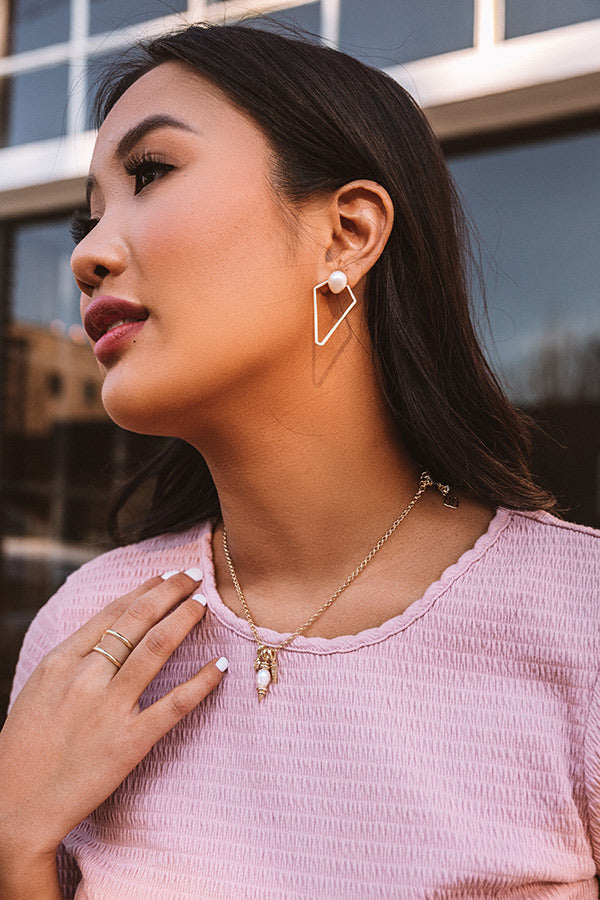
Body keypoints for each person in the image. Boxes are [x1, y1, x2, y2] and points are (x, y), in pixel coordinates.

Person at [1, 21, 599, 900]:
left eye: (151, 174)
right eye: (87, 218)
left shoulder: (579, 621)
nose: (87, 255)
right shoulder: (89, 630)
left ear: (348, 231)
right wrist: (14, 841)